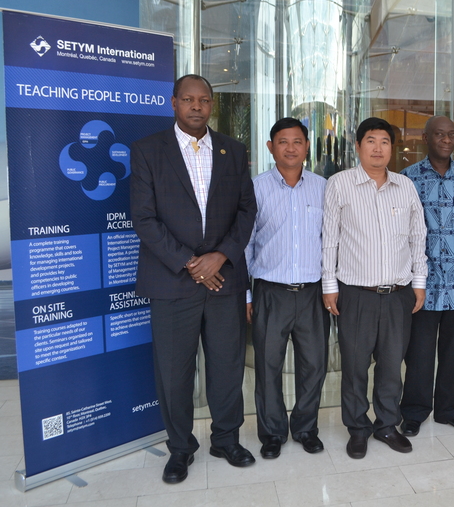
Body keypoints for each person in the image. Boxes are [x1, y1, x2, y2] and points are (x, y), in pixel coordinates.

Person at [131, 74, 257, 483]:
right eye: (188, 99)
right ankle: (180, 449)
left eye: (204, 99)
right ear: (174, 103)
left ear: (212, 104)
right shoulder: (149, 150)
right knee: (174, 372)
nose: (197, 106)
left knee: (227, 365)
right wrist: (190, 263)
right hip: (172, 283)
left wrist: (220, 257)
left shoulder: (234, 151)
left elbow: (246, 212)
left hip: (224, 282)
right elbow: (144, 218)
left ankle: (226, 438)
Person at [321, 117, 427, 459]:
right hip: (356, 295)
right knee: (354, 366)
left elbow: (417, 239)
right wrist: (329, 285)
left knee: (391, 365)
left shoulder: (405, 186)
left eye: (384, 141)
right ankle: (357, 427)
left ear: (392, 148)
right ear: (357, 146)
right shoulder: (339, 185)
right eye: (370, 140)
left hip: (398, 293)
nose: (378, 148)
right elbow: (330, 240)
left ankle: (385, 424)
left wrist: (419, 283)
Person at [245, 118, 329, 460]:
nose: (291, 147)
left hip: (313, 292)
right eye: (283, 141)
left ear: (307, 146)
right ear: (270, 147)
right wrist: (247, 295)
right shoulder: (255, 188)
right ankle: (273, 432)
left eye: (297, 141)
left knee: (315, 365)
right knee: (268, 366)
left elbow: (332, 241)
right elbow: (244, 245)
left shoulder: (324, 187)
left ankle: (306, 428)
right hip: (270, 291)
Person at [399, 116, 454, 437]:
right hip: (422, 284)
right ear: (426, 138)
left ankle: (451, 410)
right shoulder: (408, 180)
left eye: (451, 135)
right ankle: (415, 412)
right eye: (439, 134)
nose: (446, 140)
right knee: (418, 352)